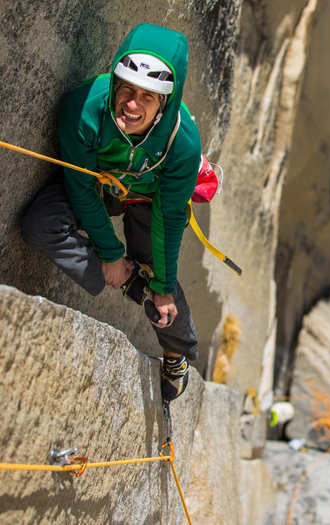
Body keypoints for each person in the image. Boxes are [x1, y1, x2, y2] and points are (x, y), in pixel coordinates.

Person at [21, 23, 202, 402]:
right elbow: (80, 187)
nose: (132, 105)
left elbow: (169, 219)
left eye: (148, 98)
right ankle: (130, 284)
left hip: (150, 196)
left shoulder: (182, 143)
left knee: (160, 280)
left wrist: (163, 287)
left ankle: (176, 351)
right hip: (101, 185)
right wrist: (111, 255)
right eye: (127, 90)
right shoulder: (84, 109)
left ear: (164, 104)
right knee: (40, 224)